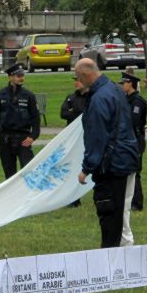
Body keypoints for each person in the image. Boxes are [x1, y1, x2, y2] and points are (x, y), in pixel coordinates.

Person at [73, 59, 140, 249]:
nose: (78, 82)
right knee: (123, 211)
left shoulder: (98, 99)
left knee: (109, 214)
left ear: (86, 76)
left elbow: (98, 137)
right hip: (127, 159)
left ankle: (111, 261)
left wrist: (86, 169)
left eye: (78, 78)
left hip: (112, 165)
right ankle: (127, 250)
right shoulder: (115, 90)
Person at [0, 64, 40, 179]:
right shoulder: (0, 95)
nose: (21, 78)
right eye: (18, 75)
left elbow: (36, 118)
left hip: (23, 138)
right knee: (9, 173)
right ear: (10, 77)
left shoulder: (29, 95)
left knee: (28, 171)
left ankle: (28, 196)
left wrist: (33, 136)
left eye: (23, 75)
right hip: (5, 138)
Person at [119, 71, 147, 244]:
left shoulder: (137, 102)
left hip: (136, 140)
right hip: (127, 141)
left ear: (130, 84)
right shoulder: (126, 100)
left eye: (124, 83)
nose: (122, 86)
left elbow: (134, 121)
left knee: (135, 172)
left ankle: (137, 202)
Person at [59, 73, 89, 207]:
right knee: (73, 167)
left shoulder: (92, 97)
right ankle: (73, 199)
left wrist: (75, 112)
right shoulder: (71, 97)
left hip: (88, 136)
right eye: (75, 81)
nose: (76, 83)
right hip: (74, 139)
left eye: (79, 80)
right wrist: (77, 113)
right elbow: (63, 113)